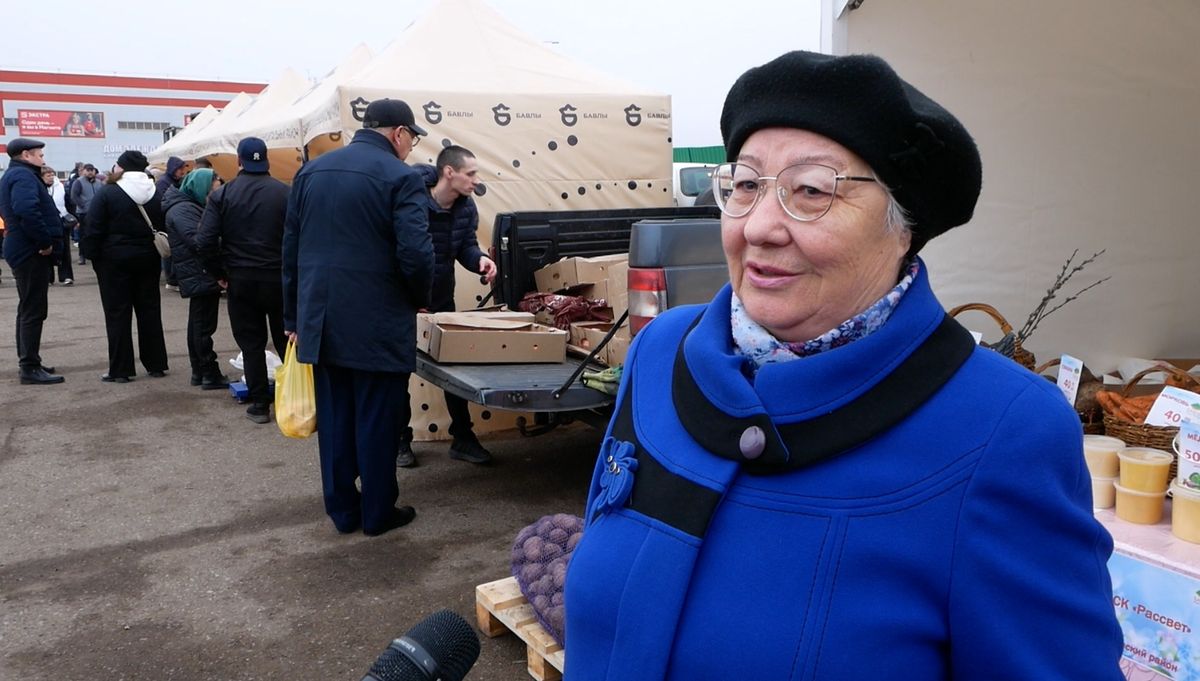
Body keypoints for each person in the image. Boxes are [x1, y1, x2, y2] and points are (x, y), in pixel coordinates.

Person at [563, 51, 1124, 680]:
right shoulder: (661, 351)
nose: (761, 226)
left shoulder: (1005, 428)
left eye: (811, 190)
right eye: (746, 184)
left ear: (901, 226)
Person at [283, 99, 433, 536]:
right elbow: (416, 254)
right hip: (377, 322)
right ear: (398, 133)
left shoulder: (311, 172)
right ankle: (378, 513)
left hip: (322, 321)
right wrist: (418, 298)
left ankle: (344, 511)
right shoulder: (401, 177)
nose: (411, 147)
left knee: (335, 421)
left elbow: (290, 252)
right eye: (412, 138)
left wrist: (294, 316)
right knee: (378, 420)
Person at [401, 145, 498, 468]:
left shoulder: (466, 208)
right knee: (399, 371)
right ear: (449, 172)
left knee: (453, 371)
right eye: (470, 174)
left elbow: (465, 246)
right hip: (405, 301)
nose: (475, 180)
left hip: (443, 299)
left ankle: (464, 439)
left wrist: (481, 260)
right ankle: (400, 441)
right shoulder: (411, 201)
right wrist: (410, 299)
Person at [195, 137, 289, 424]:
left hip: (241, 278)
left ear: (239, 161)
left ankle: (260, 403)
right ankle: (295, 399)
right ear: (267, 161)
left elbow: (204, 241)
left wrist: (219, 273)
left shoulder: (223, 195)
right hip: (280, 278)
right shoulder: (286, 193)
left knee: (251, 342)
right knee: (288, 340)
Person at [81, 150, 169, 383]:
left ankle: (121, 370)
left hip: (113, 260)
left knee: (117, 313)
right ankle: (156, 364)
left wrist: (92, 256)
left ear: (122, 167)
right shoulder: (155, 192)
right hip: (148, 257)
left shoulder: (108, 192)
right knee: (149, 310)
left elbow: (93, 227)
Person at [0, 138, 65, 385]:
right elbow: (26, 210)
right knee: (33, 310)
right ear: (26, 155)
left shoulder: (16, 175)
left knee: (28, 308)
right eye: (39, 155)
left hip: (22, 248)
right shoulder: (23, 177)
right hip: (30, 251)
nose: (43, 159)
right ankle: (29, 366)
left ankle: (30, 360)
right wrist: (44, 242)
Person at [163, 167, 228, 390]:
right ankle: (208, 371)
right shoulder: (184, 209)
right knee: (202, 326)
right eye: (213, 191)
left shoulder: (186, 206)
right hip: (199, 271)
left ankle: (200, 371)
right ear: (202, 188)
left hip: (197, 271)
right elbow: (198, 241)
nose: (214, 197)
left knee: (199, 324)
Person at [154, 157, 189, 291]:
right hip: (166, 221)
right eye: (180, 169)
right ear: (173, 169)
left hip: (172, 219)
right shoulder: (163, 183)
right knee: (169, 250)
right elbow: (162, 203)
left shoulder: (175, 181)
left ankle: (173, 278)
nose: (182, 171)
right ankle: (171, 279)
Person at [40, 166, 74, 286]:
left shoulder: (60, 187)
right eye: (48, 175)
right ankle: (48, 277)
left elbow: (68, 202)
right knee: (47, 249)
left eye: (52, 175)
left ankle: (66, 276)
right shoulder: (39, 189)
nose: (51, 178)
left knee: (65, 249)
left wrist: (73, 217)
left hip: (61, 220)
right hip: (45, 222)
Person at [69, 163, 100, 264]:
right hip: (84, 213)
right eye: (88, 170)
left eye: (92, 170)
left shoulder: (99, 182)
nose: (90, 172)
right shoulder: (78, 182)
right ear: (84, 171)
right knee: (83, 235)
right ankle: (82, 255)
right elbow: (74, 196)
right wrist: (82, 205)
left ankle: (95, 253)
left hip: (97, 213)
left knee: (96, 234)